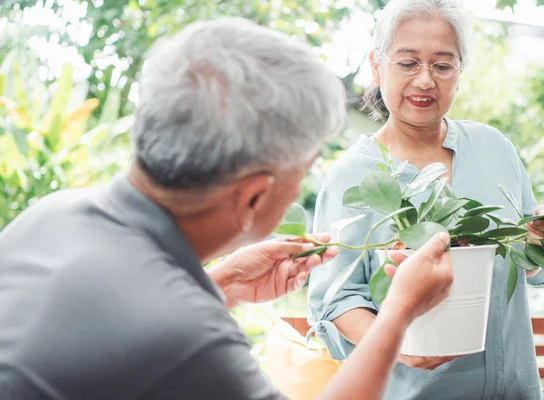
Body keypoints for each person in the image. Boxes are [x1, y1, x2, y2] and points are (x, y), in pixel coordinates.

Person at [0, 17, 455, 400]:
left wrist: (218, 287)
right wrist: (398, 314)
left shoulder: (49, 216)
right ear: (254, 195)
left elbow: (102, 341)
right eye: (301, 173)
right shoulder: (184, 334)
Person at [307, 1, 544, 399]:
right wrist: (398, 343)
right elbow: (335, 301)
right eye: (407, 63)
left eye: (442, 65)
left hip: (517, 389)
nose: (424, 80)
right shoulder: (353, 176)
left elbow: (529, 264)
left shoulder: (494, 147)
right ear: (376, 65)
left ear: (459, 72)